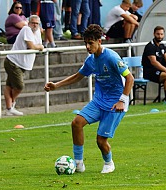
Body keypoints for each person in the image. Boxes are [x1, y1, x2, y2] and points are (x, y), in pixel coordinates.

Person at [44, 24, 134, 173]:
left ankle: (108, 162)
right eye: (85, 42)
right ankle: (78, 163)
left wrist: (122, 100)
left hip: (116, 103)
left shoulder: (112, 57)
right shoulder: (91, 60)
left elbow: (130, 78)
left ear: (100, 41)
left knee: (100, 140)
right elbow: (78, 76)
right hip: (99, 101)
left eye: (90, 43)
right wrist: (56, 85)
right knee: (76, 123)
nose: (87, 46)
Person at [4, 15, 44, 116]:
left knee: (10, 85)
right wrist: (39, 47)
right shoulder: (26, 29)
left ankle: (9, 107)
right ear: (29, 22)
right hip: (14, 62)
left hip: (23, 64)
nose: (35, 25)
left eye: (37, 23)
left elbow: (37, 45)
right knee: (19, 86)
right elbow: (32, 46)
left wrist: (38, 47)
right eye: (33, 23)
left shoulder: (38, 31)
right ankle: (11, 104)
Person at [142, 26, 166, 105]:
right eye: (158, 34)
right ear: (154, 34)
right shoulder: (150, 46)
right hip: (150, 72)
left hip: (159, 71)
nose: (160, 36)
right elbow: (154, 62)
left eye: (161, 34)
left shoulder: (162, 46)